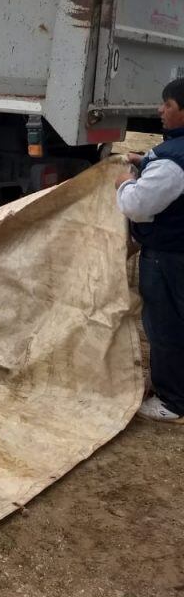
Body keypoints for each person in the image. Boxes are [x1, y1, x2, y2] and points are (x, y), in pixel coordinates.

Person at [115, 78, 184, 424]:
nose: (160, 109)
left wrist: (125, 182)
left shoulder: (172, 162)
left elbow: (138, 205)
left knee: (165, 326)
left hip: (169, 255)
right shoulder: (172, 157)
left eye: (167, 104)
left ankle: (172, 402)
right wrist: (147, 162)